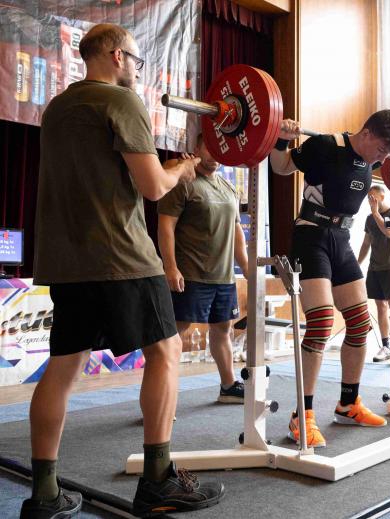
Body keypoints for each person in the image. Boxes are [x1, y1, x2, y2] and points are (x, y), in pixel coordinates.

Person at [24, 24, 224, 518]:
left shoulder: (57, 108)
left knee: (63, 367)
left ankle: (44, 494)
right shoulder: (121, 100)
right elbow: (153, 187)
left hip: (68, 261)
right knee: (166, 351)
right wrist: (182, 168)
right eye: (135, 60)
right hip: (122, 255)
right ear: (117, 56)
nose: (137, 69)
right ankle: (158, 480)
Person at [269, 111, 390, 448]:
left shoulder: (371, 162)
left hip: (341, 239)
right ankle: (301, 415)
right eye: (382, 149)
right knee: (320, 323)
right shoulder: (323, 145)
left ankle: (348, 404)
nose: (381, 159)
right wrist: (282, 139)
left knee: (360, 323)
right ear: (368, 133)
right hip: (311, 236)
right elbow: (281, 167)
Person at [157, 133, 249, 404]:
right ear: (196, 148)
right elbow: (166, 226)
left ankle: (228, 386)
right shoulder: (182, 181)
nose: (215, 155)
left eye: (221, 150)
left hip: (224, 276)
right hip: (191, 275)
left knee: (223, 329)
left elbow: (236, 230)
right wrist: (170, 267)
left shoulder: (227, 187)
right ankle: (162, 398)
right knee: (174, 334)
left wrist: (246, 266)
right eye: (209, 148)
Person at [357, 185, 390, 362]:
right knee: (381, 306)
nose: (371, 201)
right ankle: (385, 344)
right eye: (369, 198)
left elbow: (389, 233)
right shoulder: (369, 219)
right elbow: (366, 243)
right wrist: (357, 264)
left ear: (382, 196)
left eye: (374, 197)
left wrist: (375, 213)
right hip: (375, 267)